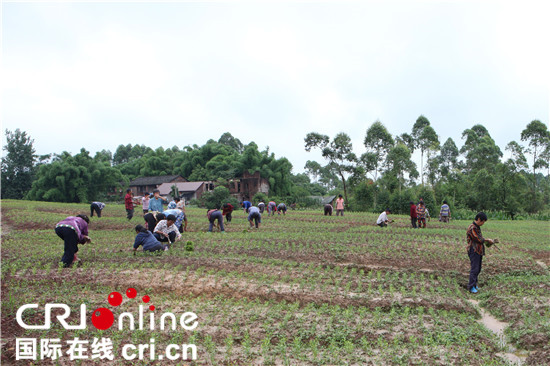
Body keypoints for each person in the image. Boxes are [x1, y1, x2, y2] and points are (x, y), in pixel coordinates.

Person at [467, 212, 496, 294]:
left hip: (478, 250)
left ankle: (475, 284)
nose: (483, 223)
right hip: (473, 250)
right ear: (479, 219)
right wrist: (486, 240)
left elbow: (480, 238)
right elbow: (478, 239)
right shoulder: (472, 228)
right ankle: (471, 286)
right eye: (483, 221)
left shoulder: (477, 227)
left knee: (478, 269)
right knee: (474, 269)